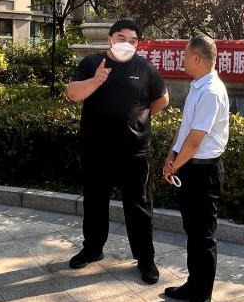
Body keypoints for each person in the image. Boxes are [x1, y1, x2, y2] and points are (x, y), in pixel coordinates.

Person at [66, 19, 170, 284]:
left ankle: (145, 258)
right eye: (122, 38)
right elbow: (72, 93)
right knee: (94, 202)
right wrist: (96, 81)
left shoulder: (145, 68)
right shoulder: (92, 63)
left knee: (139, 206)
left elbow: (162, 100)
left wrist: (138, 119)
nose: (127, 44)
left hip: (134, 151)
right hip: (96, 149)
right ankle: (92, 249)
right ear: (110, 38)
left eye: (133, 40)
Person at [161, 33, 230, 302]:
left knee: (204, 238)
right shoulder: (198, 86)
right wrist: (171, 155)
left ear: (197, 58)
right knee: (193, 232)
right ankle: (193, 286)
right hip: (189, 167)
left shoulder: (211, 91)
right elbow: (185, 128)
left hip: (204, 172)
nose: (182, 59)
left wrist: (174, 165)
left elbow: (197, 138)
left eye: (185, 55)